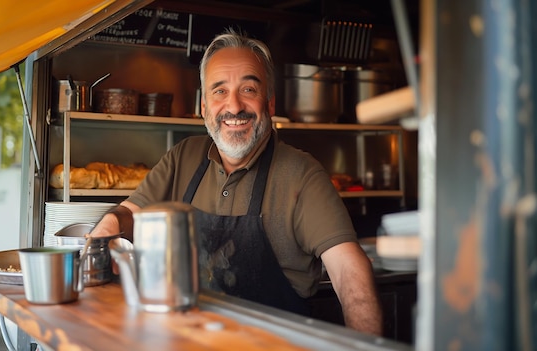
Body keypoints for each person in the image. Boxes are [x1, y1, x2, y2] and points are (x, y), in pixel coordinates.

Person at [92, 28, 382, 335]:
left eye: (248, 90)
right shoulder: (184, 157)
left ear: (269, 103)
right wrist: (108, 227)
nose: (233, 107)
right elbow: (130, 214)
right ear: (203, 106)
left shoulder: (303, 175)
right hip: (187, 340)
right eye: (219, 91)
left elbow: (349, 271)